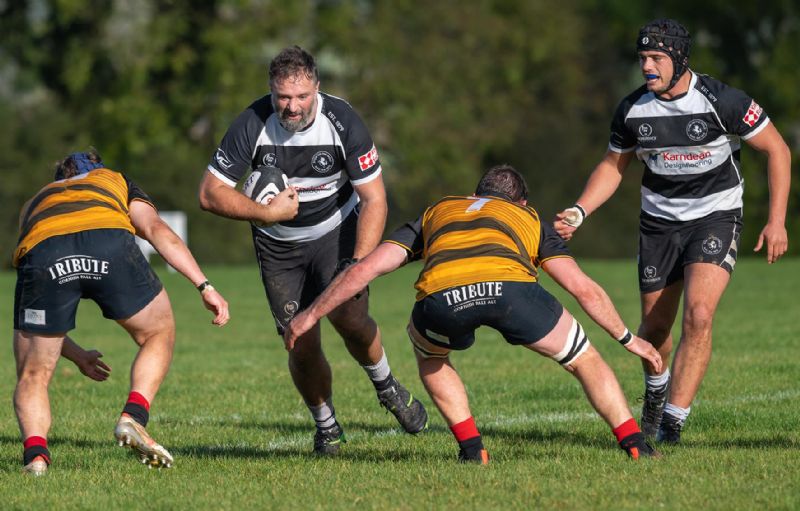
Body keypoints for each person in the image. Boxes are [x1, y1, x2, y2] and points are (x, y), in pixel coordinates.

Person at [285, 165, 663, 463]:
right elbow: (583, 288)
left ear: (475, 194)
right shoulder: (529, 218)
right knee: (584, 358)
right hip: (512, 293)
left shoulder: (438, 211)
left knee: (431, 356)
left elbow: (365, 269)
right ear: (521, 202)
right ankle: (634, 443)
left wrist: (310, 315)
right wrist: (629, 340)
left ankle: (472, 449)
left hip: (443, 298)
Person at [554, 19, 791, 443]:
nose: (647, 66)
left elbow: (777, 149)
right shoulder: (632, 109)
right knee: (655, 329)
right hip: (659, 225)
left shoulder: (723, 101)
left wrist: (776, 220)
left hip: (716, 216)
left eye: (656, 58)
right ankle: (655, 391)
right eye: (642, 58)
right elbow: (613, 166)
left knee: (699, 315)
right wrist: (580, 210)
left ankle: (672, 424)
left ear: (679, 58)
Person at [198, 46, 427, 455]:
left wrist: (358, 265)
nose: (292, 106)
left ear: (317, 88)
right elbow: (209, 193)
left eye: (302, 96)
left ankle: (386, 386)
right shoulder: (252, 122)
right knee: (299, 339)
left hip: (336, 234)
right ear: (271, 91)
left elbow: (374, 199)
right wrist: (265, 214)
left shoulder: (342, 121)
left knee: (350, 318)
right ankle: (327, 426)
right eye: (283, 97)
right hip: (278, 248)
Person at [13, 151, 230, 475]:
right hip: (108, 244)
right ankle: (133, 417)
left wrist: (76, 355)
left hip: (46, 252)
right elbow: (155, 229)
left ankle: (36, 458)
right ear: (96, 169)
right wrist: (204, 285)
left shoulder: (36, 202)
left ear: (60, 179)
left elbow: (37, 320)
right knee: (158, 333)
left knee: (33, 373)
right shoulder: (113, 179)